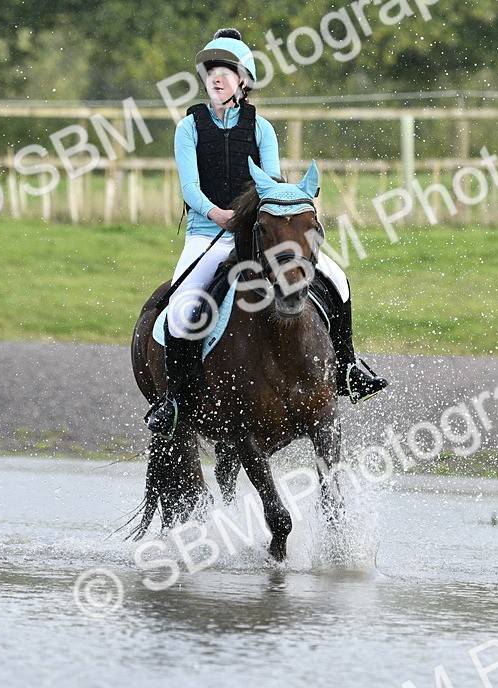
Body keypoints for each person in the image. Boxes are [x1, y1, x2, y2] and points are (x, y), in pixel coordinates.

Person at [145, 28, 388, 437]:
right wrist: (217, 214)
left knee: (340, 282)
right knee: (182, 313)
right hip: (207, 234)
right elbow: (189, 187)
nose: (216, 78)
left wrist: (259, 220)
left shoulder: (262, 129)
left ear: (243, 80)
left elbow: (271, 182)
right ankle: (176, 402)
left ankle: (347, 367)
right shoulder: (189, 128)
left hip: (260, 234)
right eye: (210, 71)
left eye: (226, 70)